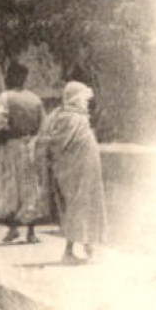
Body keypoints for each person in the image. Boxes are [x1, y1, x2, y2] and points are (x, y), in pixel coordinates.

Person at [37, 81, 107, 264]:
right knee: (78, 207)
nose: (86, 103)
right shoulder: (71, 118)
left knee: (84, 206)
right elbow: (57, 143)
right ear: (75, 99)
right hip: (76, 171)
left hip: (84, 170)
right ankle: (70, 251)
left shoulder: (64, 115)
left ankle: (88, 246)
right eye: (83, 99)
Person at [0, 61, 50, 244]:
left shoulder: (5, 97)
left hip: (12, 147)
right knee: (30, 187)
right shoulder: (35, 98)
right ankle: (31, 232)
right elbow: (44, 125)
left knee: (10, 188)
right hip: (31, 146)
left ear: (12, 77)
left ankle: (13, 228)